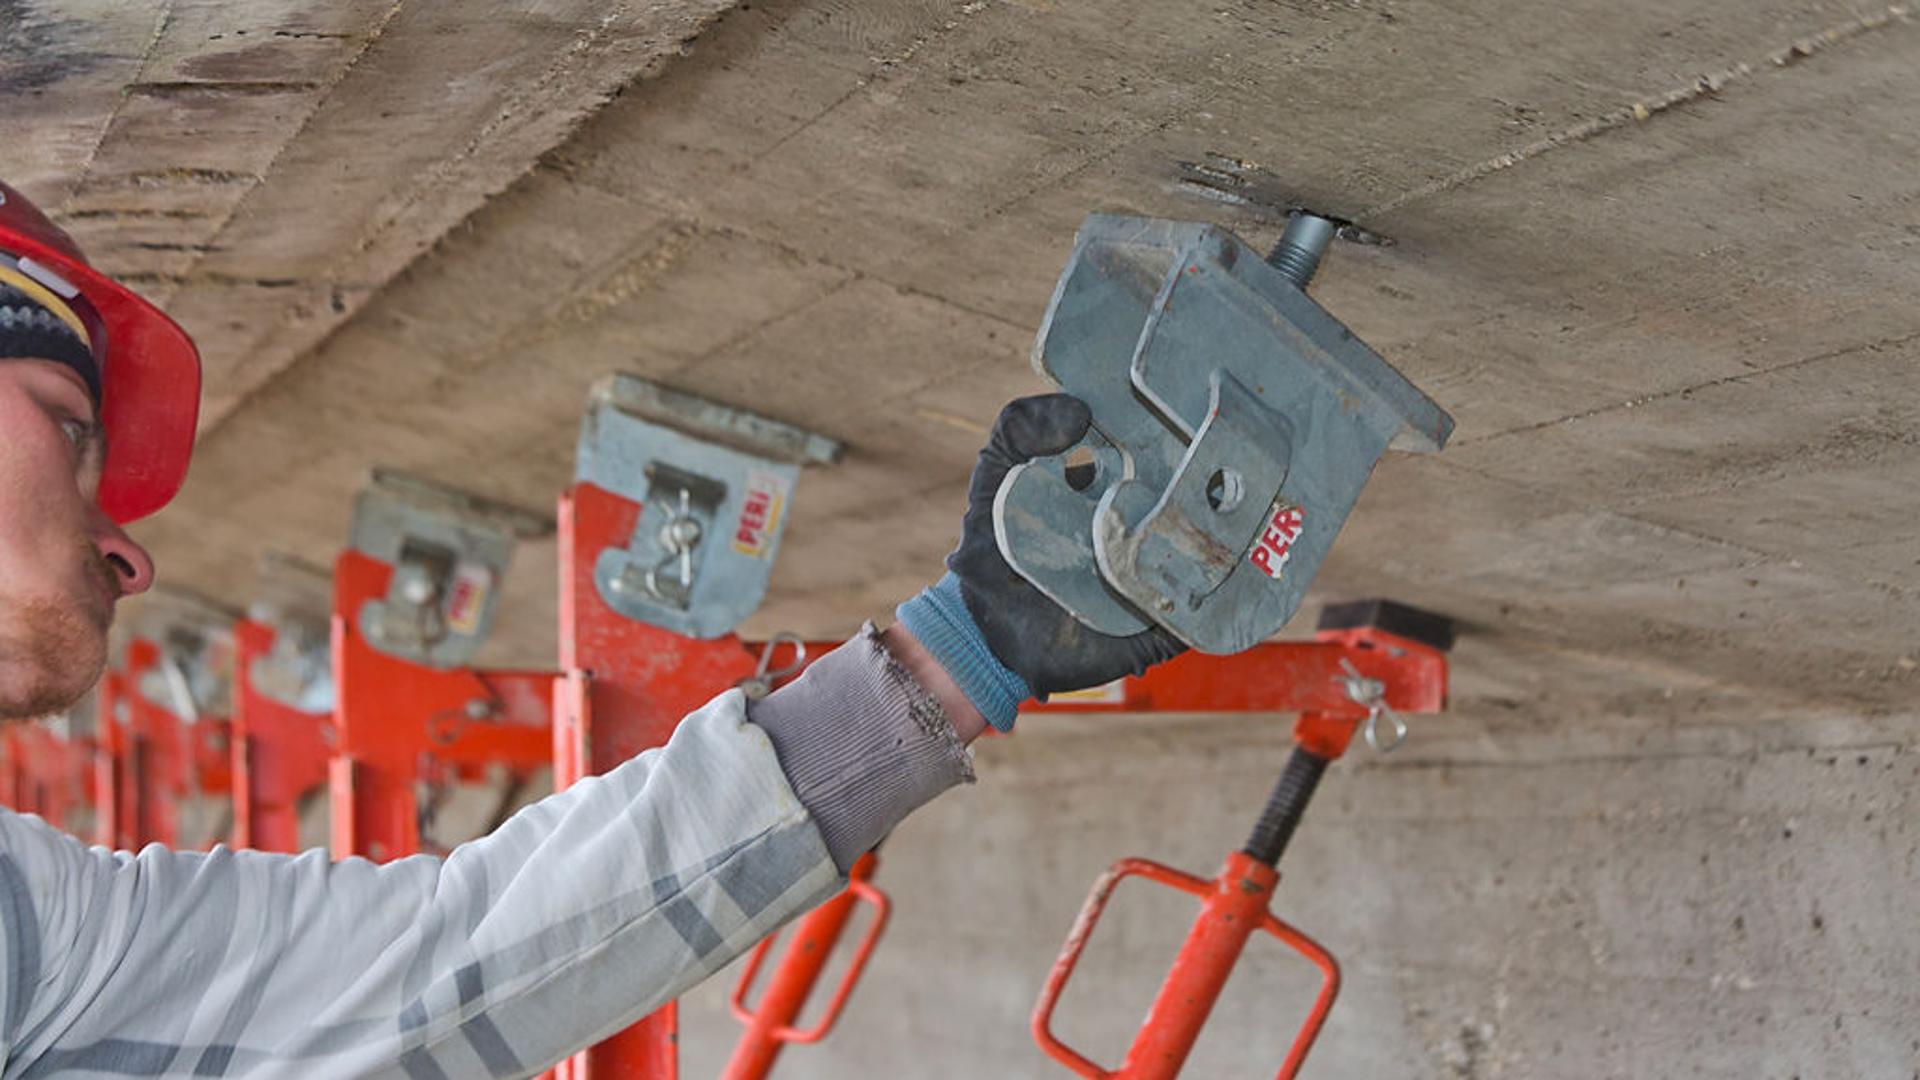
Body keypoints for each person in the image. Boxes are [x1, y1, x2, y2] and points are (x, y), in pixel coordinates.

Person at [0, 179, 1182, 1077]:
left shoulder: (35, 923)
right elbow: (444, 975)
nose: (129, 552)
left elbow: (450, 966)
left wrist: (954, 659)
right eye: (66, 423)